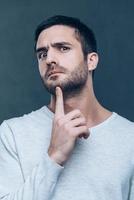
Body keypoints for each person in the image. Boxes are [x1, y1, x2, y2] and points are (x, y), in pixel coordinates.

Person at [0, 15, 134, 200]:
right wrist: (54, 156)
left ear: (91, 61)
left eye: (63, 48)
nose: (49, 59)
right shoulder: (12, 133)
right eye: (42, 54)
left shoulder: (130, 137)